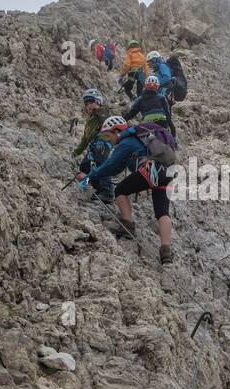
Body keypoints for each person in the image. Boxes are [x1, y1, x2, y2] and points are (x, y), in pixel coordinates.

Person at [85, 115, 175, 264]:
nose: (108, 140)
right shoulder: (140, 139)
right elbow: (117, 168)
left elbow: (111, 165)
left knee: (120, 190)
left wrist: (90, 176)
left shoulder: (126, 142)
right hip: (169, 172)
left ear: (116, 131)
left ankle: (128, 225)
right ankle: (166, 252)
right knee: (162, 212)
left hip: (151, 171)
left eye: (108, 135)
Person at [78, 134, 114, 202]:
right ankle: (102, 190)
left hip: (102, 140)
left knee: (101, 164)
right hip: (88, 164)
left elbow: (101, 161)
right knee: (95, 165)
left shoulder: (102, 138)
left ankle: (107, 192)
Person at [72, 89, 106, 158]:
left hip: (101, 151)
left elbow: (107, 133)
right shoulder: (91, 118)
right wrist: (76, 152)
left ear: (98, 101)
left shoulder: (102, 115)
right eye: (86, 103)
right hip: (94, 150)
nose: (88, 105)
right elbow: (85, 139)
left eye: (91, 102)